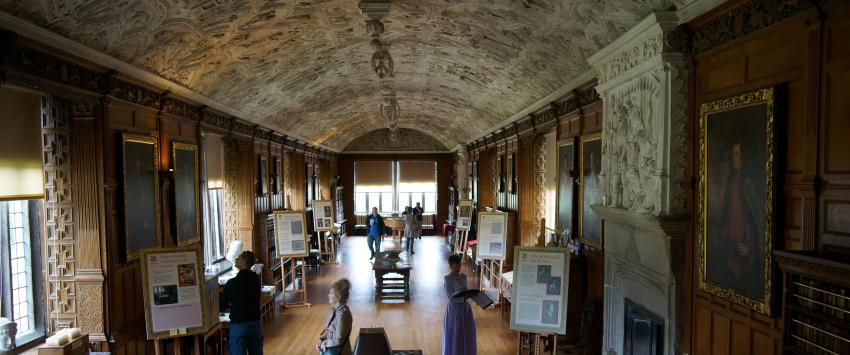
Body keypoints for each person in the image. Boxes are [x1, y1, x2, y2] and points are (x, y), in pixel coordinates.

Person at [220, 251, 263, 355]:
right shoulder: (256, 280)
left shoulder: (233, 283)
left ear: (244, 262)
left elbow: (222, 303)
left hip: (239, 324)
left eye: (238, 258)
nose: (236, 260)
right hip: (255, 322)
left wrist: (229, 306)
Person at [443, 254, 476, 355]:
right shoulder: (447, 279)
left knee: (466, 332)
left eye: (459, 266)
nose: (458, 269)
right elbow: (450, 297)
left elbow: (466, 289)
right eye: (455, 267)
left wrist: (471, 294)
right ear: (450, 266)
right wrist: (464, 297)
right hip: (454, 310)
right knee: (455, 333)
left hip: (465, 308)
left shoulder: (463, 276)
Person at [316, 279, 353, 355]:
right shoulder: (336, 310)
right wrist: (321, 339)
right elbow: (330, 332)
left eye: (331, 293)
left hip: (339, 352)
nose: (328, 295)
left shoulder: (342, 314)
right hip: (332, 348)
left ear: (338, 296)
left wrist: (324, 344)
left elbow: (338, 340)